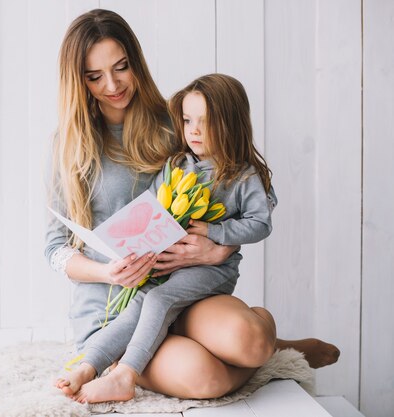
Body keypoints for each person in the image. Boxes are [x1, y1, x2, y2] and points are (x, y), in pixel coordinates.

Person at [45, 8, 339, 404]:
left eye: (121, 67)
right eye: (94, 76)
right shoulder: (70, 144)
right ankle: (276, 353)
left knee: (250, 341)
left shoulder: (179, 121)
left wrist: (221, 245)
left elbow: (246, 187)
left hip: (188, 292)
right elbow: (54, 249)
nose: (112, 85)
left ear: (137, 62)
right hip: (116, 311)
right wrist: (109, 272)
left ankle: (266, 340)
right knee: (206, 377)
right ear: (77, 80)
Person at [61, 73, 278, 403]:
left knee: (158, 301)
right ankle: (88, 365)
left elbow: (260, 223)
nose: (193, 130)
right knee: (139, 304)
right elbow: (153, 204)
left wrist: (216, 236)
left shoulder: (241, 174)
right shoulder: (177, 163)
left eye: (205, 122)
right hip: (165, 271)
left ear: (231, 124)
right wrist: (139, 242)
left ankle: (125, 375)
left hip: (209, 273)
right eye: (188, 120)